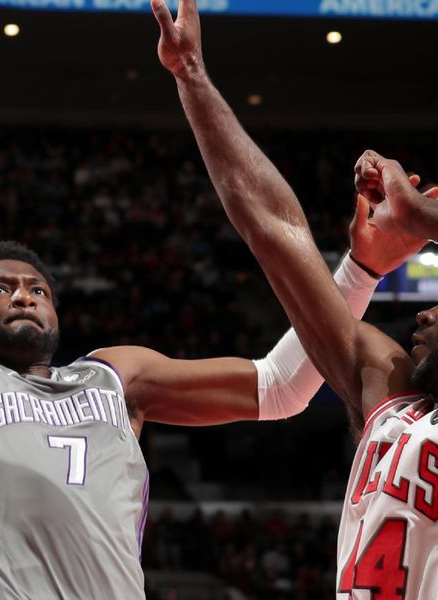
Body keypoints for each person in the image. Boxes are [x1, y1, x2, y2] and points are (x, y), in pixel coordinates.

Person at [0, 30, 419, 600]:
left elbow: (281, 386)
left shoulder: (115, 378)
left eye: (37, 288)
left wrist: (362, 270)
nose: (24, 295)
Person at [148, 0, 438, 596]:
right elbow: (274, 232)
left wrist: (421, 215)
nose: (426, 311)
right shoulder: (394, 396)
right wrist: (194, 78)